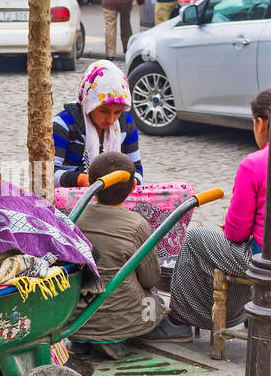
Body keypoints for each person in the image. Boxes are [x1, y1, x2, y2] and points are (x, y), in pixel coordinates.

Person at [168, 89, 271, 332]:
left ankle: (179, 321)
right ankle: (246, 310)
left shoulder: (255, 163)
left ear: (259, 123)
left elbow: (236, 234)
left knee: (196, 239)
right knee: (246, 246)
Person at [70, 151, 189, 359]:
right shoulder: (136, 224)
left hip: (74, 318)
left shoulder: (75, 215)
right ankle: (121, 336)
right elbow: (150, 277)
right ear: (134, 186)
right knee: (155, 301)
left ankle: (87, 340)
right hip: (120, 318)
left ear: (91, 183)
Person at [53, 60, 142, 189]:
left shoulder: (126, 123)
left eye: (117, 112)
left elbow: (136, 167)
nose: (111, 119)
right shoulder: (63, 125)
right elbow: (47, 174)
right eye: (104, 111)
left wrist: (132, 182)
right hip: (71, 196)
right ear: (89, 103)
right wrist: (79, 179)